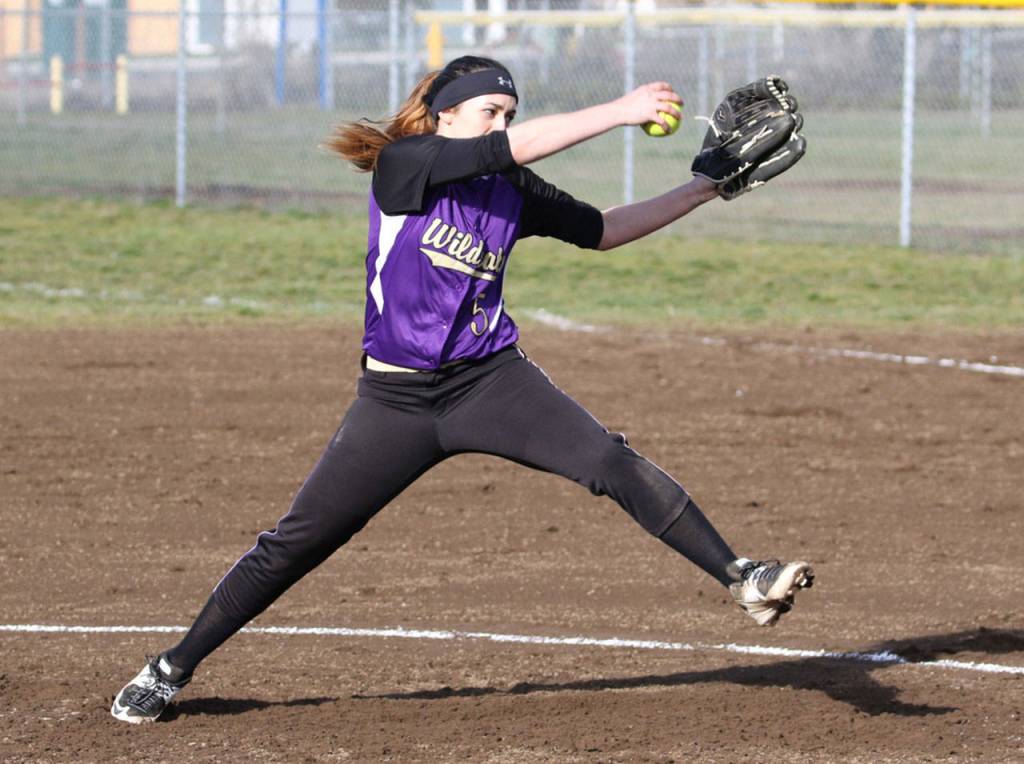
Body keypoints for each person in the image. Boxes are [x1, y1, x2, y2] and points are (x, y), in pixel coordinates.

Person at [111, 55, 813, 724]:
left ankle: (741, 576)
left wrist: (706, 189)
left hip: (489, 380)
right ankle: (170, 668)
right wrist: (621, 110)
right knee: (298, 541)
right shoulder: (405, 166)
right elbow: (501, 153)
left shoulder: (510, 188)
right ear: (445, 118)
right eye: (488, 110)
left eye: (509, 112)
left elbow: (601, 231)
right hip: (396, 402)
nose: (500, 125)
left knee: (607, 460)